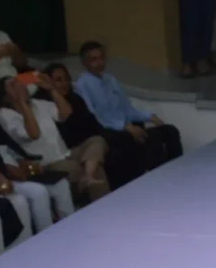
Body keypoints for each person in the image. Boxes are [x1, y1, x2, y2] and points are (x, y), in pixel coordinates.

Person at [0, 76, 109, 203]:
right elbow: (34, 134)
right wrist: (22, 103)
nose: (21, 86)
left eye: (20, 83)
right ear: (5, 97)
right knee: (85, 167)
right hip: (46, 164)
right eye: (14, 85)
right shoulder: (4, 115)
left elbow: (66, 113)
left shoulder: (37, 103)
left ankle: (88, 177)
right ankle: (103, 200)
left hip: (66, 153)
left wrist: (52, 90)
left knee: (96, 141)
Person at [75, 42, 183, 170]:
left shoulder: (110, 79)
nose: (100, 63)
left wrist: (150, 116)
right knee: (152, 138)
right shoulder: (82, 85)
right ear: (85, 63)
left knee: (170, 131)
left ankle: (178, 170)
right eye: (94, 59)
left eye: (102, 58)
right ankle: (159, 176)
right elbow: (94, 116)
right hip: (108, 131)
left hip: (126, 126)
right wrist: (124, 126)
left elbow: (127, 109)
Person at [40, 63, 145, 191]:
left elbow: (93, 123)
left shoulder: (75, 98)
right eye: (58, 80)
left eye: (66, 79)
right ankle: (98, 187)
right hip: (69, 149)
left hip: (90, 142)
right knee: (97, 163)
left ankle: (93, 179)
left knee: (109, 141)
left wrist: (121, 128)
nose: (64, 83)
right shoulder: (43, 104)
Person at [0, 87, 74, 228]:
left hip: (12, 173)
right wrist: (6, 171)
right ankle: (47, 234)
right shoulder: (3, 115)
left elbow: (11, 149)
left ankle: (70, 227)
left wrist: (24, 162)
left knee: (61, 184)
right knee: (37, 192)